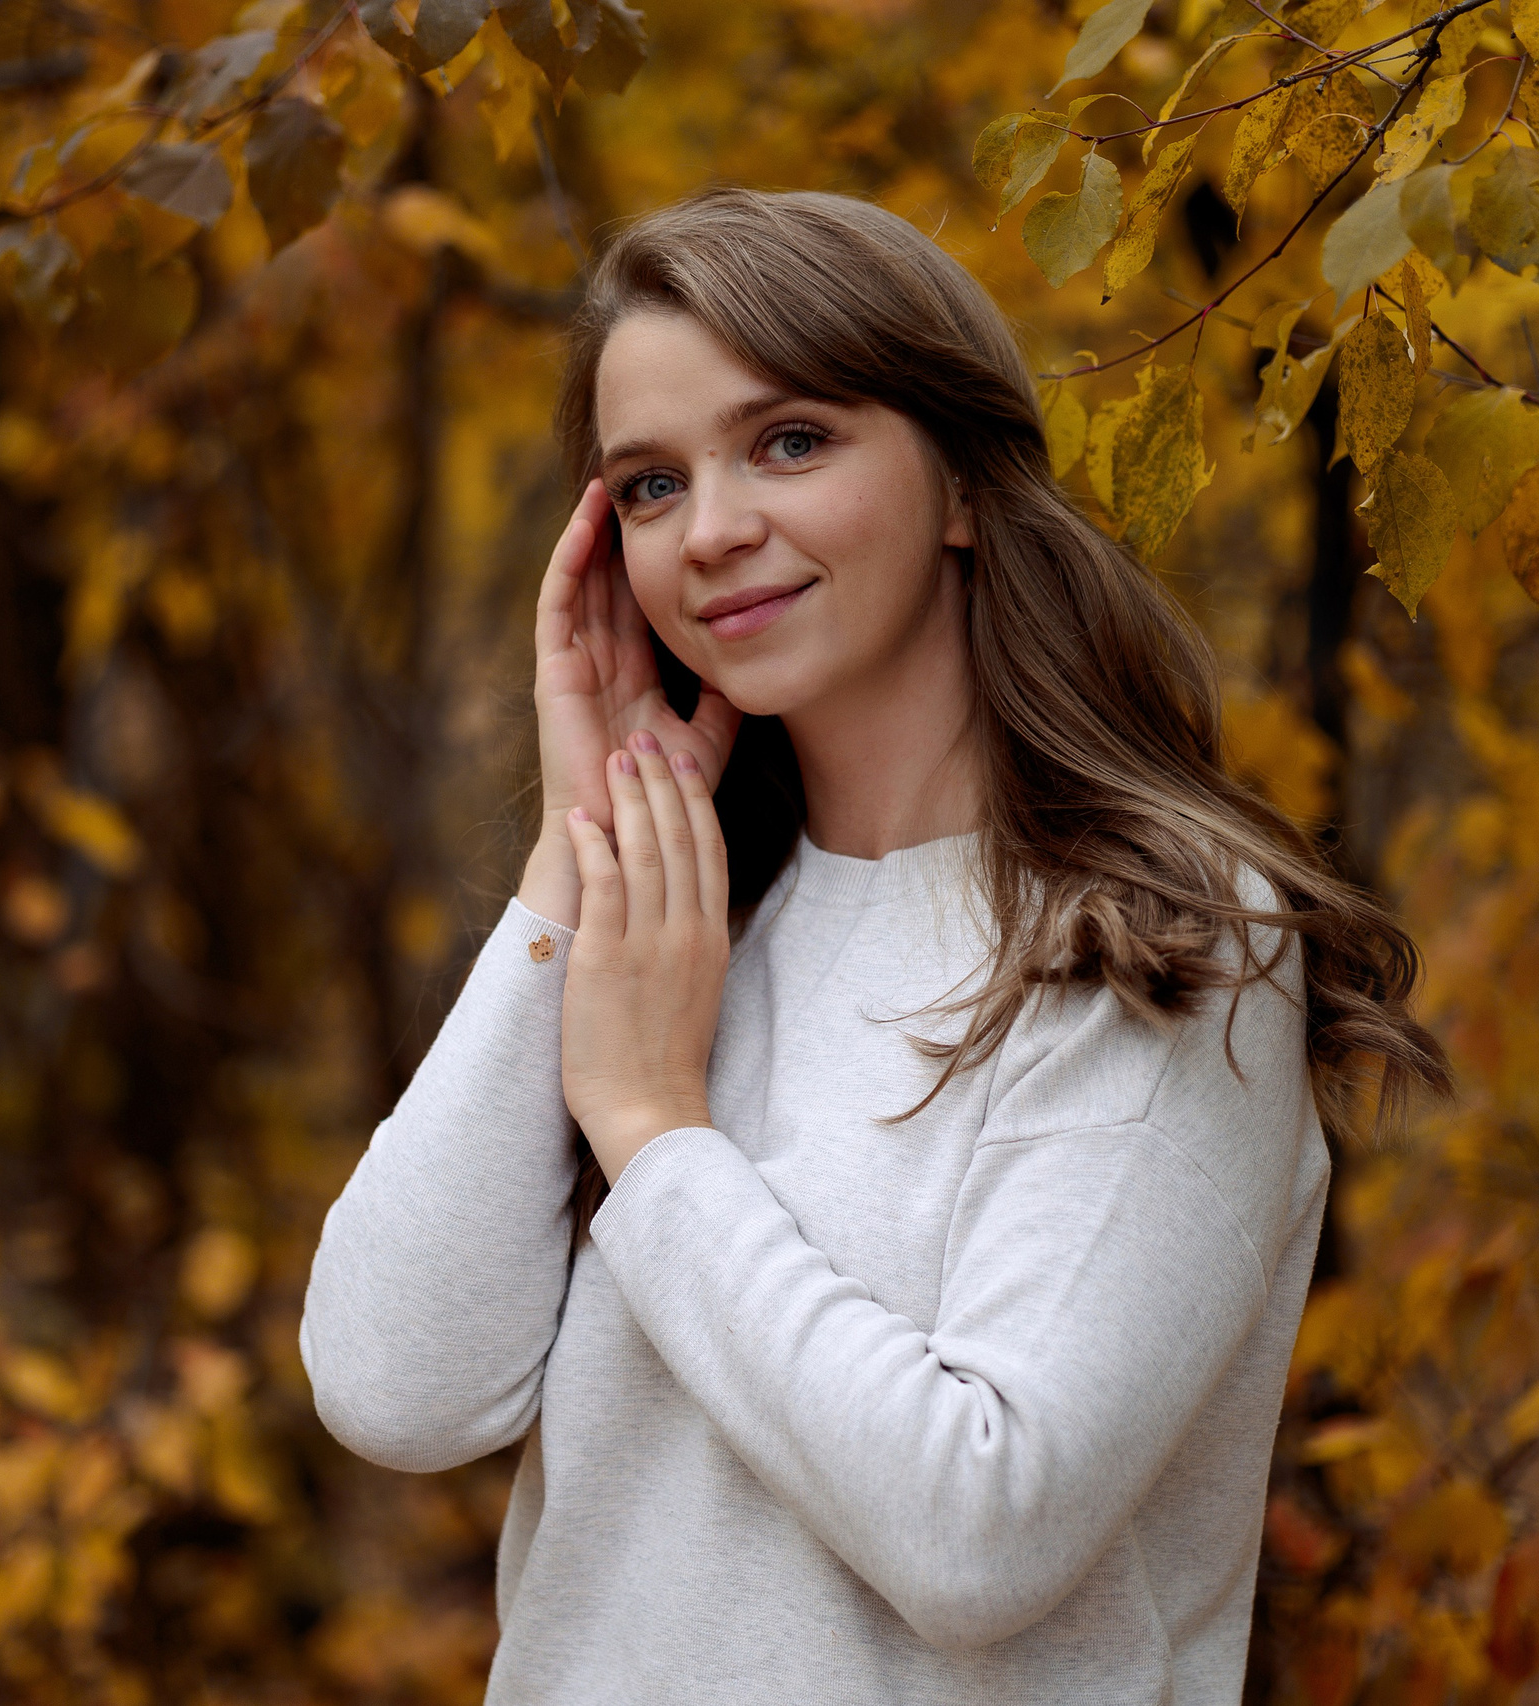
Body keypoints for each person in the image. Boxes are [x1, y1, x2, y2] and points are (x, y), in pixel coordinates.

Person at [298, 185, 1448, 1702]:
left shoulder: (1164, 933)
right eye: (648, 485)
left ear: (963, 483)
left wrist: (654, 1132)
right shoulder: (684, 920)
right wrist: (576, 855)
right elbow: (393, 1383)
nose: (712, 531)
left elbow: (981, 1524)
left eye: (791, 441)